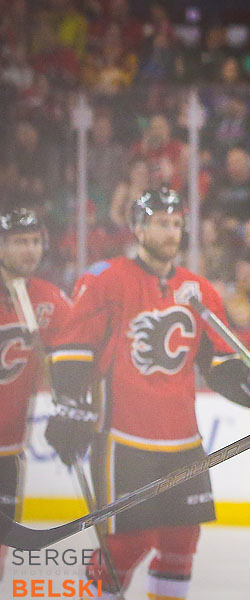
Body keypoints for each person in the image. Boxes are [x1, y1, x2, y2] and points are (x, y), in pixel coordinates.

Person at [43, 188, 250, 599]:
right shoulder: (105, 279)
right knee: (126, 545)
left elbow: (219, 361)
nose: (171, 231)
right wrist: (69, 406)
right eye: (161, 222)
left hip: (183, 441)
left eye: (176, 223)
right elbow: (74, 349)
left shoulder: (199, 290)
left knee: (181, 542)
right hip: (123, 439)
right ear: (138, 228)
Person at [0, 209, 72, 579]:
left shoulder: (47, 299)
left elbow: (80, 351)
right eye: (18, 242)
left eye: (34, 241)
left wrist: (73, 408)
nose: (29, 250)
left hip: (8, 453)